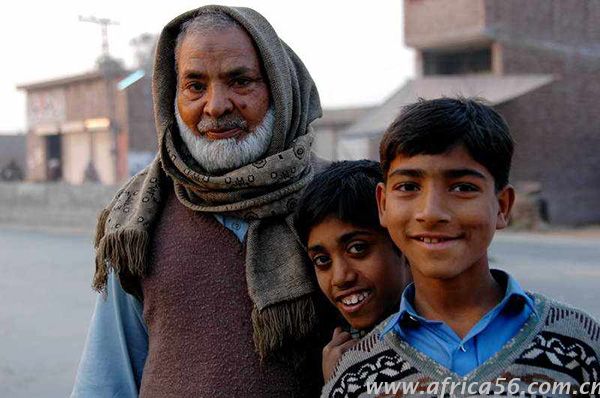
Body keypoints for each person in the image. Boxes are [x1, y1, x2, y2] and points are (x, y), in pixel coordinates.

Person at [72, 5, 328, 397]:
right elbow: (107, 377)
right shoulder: (137, 217)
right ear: (171, 96)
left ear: (280, 87)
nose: (215, 106)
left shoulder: (337, 198)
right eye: (195, 86)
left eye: (240, 81)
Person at [321, 98, 600, 397]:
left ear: (502, 207)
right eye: (409, 187)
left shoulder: (580, 344)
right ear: (384, 204)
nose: (430, 212)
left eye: (462, 188)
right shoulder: (355, 376)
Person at [294, 160, 411, 382]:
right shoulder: (335, 352)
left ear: (401, 240)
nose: (340, 277)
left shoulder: (447, 339)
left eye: (358, 248)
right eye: (322, 260)